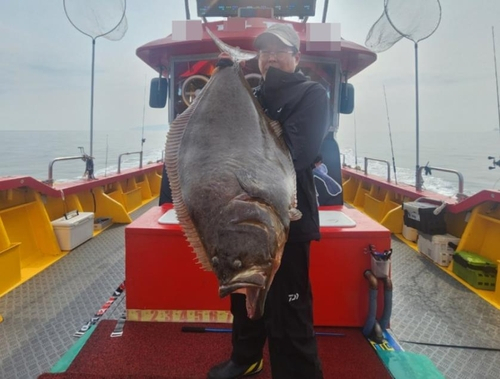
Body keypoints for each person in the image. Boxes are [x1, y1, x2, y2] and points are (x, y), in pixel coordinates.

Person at [208, 23, 329, 379]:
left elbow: (297, 153)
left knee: (289, 305)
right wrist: (224, 79)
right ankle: (246, 359)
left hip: (287, 219)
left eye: (279, 50)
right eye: (264, 52)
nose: (270, 57)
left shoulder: (312, 94)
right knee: (242, 293)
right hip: (241, 212)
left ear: (296, 56)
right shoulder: (251, 95)